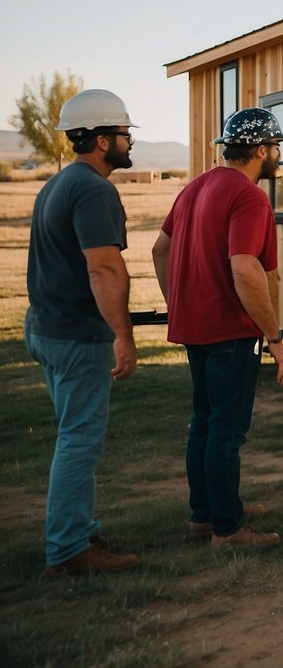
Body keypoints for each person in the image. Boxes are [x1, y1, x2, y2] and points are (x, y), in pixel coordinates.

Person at [152, 108, 283, 550]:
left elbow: (160, 251)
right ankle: (229, 530)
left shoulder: (195, 187)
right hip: (232, 332)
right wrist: (274, 338)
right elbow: (246, 269)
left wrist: (179, 303)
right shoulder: (250, 197)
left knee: (205, 424)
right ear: (258, 150)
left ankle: (205, 516)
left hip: (195, 328)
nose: (278, 155)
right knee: (227, 431)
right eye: (275, 147)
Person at [25, 89, 141, 576]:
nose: (129, 140)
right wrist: (123, 334)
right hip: (76, 336)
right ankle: (70, 549)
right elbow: (105, 271)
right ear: (99, 139)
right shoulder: (93, 189)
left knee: (75, 435)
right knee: (79, 439)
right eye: (123, 133)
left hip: (47, 327)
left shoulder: (59, 183)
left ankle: (78, 528)